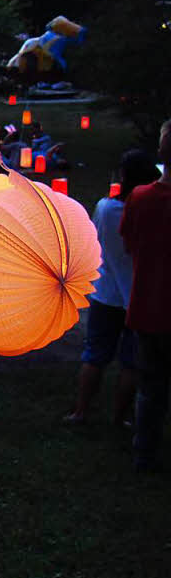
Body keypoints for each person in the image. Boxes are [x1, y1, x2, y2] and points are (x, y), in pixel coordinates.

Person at [65, 150, 160, 428]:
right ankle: (121, 418)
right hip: (137, 297)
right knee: (131, 362)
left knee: (95, 354)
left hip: (105, 294)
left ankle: (81, 411)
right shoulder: (150, 210)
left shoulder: (106, 209)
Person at [120, 120, 171, 471]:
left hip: (147, 308)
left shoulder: (139, 198)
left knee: (150, 387)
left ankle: (144, 454)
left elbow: (128, 243)